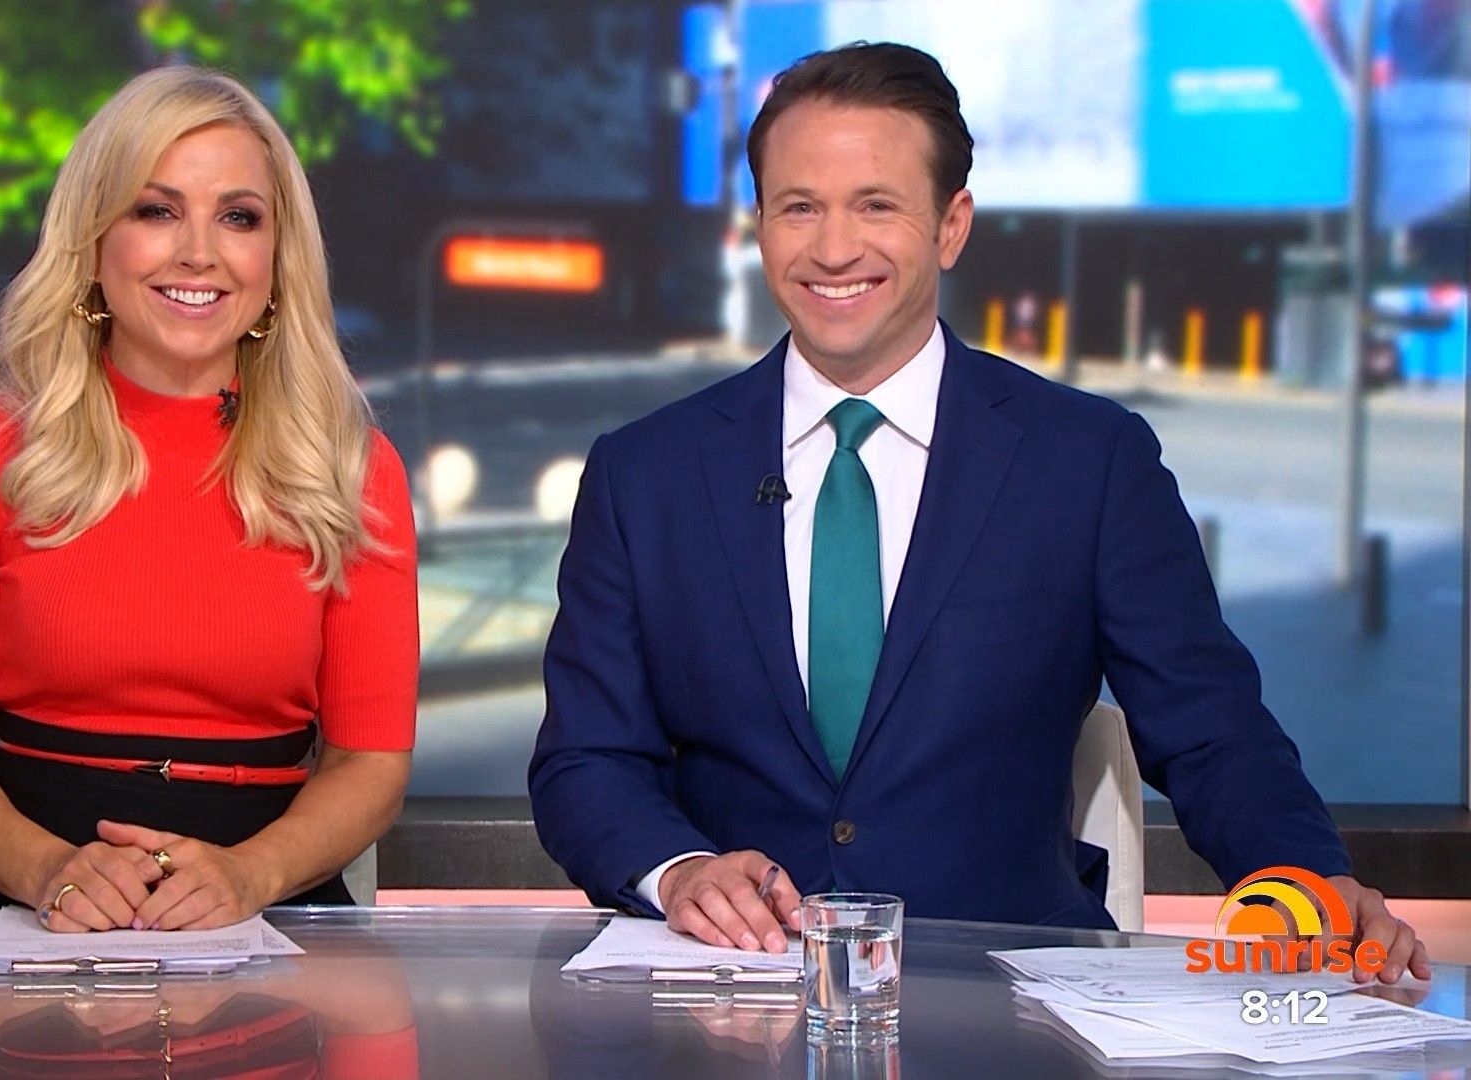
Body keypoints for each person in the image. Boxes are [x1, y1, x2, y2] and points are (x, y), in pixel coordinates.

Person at [527, 43, 1426, 982]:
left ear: (951, 226)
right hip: (731, 996)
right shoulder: (645, 475)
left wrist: (1308, 883)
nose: (833, 249)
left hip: (1013, 990)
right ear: (759, 227)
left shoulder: (1088, 462)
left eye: (876, 205)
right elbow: (585, 761)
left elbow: (1211, 729)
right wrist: (678, 871)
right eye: (800, 208)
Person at [0, 66, 417, 931]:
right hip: (27, 894)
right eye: (156, 211)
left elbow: (370, 765)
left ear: (277, 259)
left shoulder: (349, 467)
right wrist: (47, 870)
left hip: (267, 898)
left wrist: (251, 876)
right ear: (93, 242)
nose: (198, 252)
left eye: (238, 217)